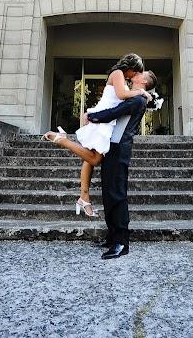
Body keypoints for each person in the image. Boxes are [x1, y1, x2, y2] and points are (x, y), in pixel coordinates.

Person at [43, 54, 150, 217]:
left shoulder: (122, 77)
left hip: (105, 120)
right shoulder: (118, 74)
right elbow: (121, 95)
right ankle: (62, 140)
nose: (134, 76)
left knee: (90, 160)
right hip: (102, 120)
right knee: (95, 159)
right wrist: (142, 92)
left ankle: (84, 198)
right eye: (134, 72)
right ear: (130, 68)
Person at [86, 69, 157, 259]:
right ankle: (112, 237)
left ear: (143, 80)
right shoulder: (134, 96)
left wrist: (91, 116)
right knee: (109, 193)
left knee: (117, 194)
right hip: (113, 147)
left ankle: (121, 243)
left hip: (120, 149)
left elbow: (113, 113)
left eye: (142, 72)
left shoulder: (138, 100)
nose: (137, 72)